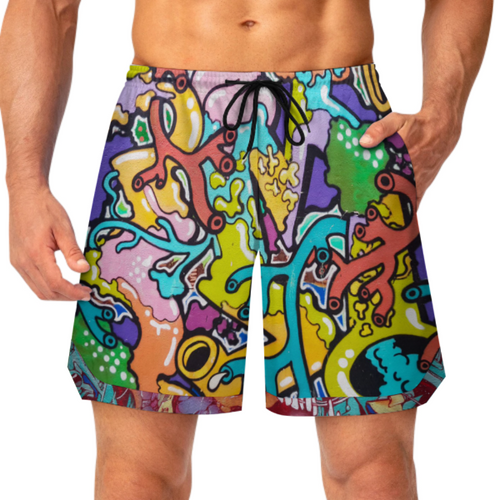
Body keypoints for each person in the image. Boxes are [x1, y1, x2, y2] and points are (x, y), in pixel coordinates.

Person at [0, 1, 493, 499]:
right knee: (139, 475)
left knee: (374, 470)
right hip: (171, 127)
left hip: (338, 121)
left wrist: (445, 114)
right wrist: (24, 182)